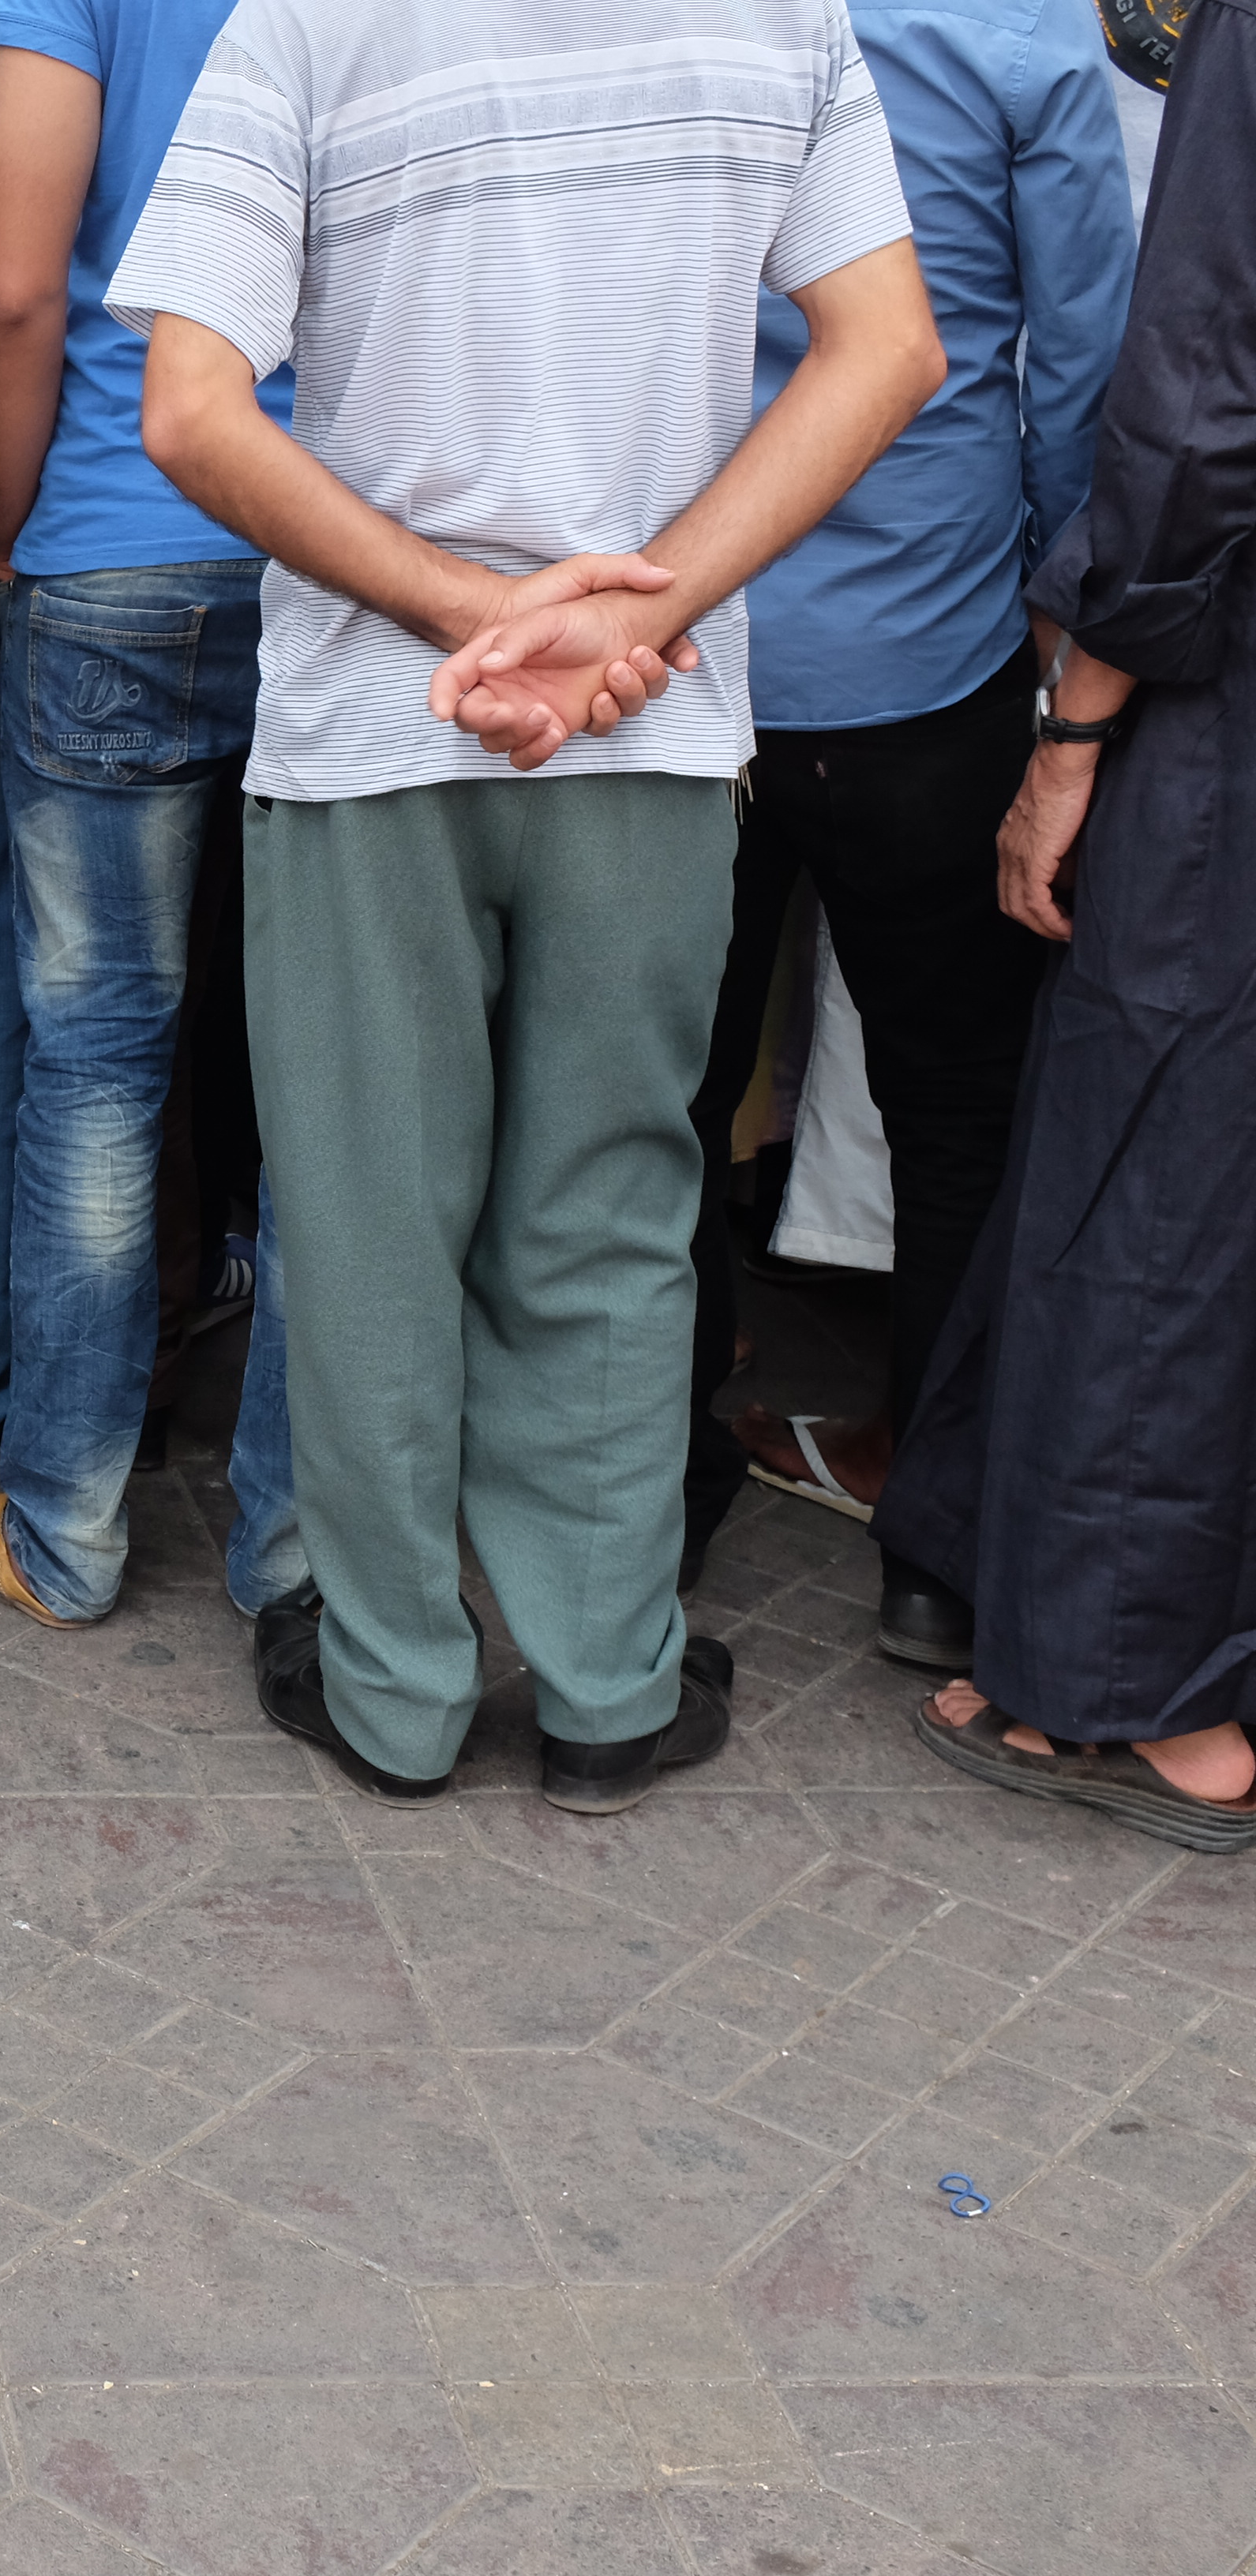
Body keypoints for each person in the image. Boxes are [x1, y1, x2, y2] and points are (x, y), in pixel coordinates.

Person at [118, 0, 944, 1809]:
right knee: (613, 1210)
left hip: (373, 731)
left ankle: (395, 1691)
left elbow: (188, 408)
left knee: (366, 1218)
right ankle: (609, 1687)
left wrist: (451, 611)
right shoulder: (783, 23)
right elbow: (888, 352)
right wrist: (637, 621)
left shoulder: (307, 29)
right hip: (644, 735)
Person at [676, 0, 1132, 1667]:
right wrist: (1070, 630)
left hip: (687, 640)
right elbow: (1086, 370)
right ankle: (937, 1553)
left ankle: (657, 1513)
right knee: (959, 1115)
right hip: (924, 664)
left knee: (666, 1100)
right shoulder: (1021, 35)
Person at [885, 0, 1256, 1850]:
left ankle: (1137, 1696)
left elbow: (1186, 412)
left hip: (1219, 697)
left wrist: (1079, 719)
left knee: (1157, 1167)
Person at [0, 0, 288, 1626]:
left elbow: (11, 281)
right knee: (332, 1077)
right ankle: (295, 1556)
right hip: (345, 555)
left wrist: (10, 523)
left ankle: (62, 1528)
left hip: (117, 532)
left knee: (98, 1059)